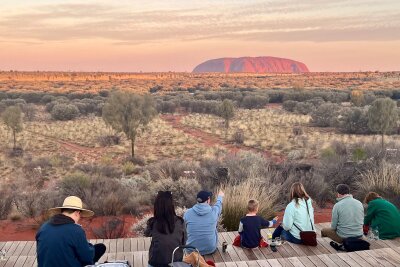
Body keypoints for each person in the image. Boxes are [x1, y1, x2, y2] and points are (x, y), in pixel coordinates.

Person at [36, 196, 106, 267]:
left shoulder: (43, 227)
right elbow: (87, 258)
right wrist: (88, 246)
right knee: (100, 248)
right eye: (80, 215)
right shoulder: (76, 230)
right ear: (77, 213)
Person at [144, 191, 186, 267]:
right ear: (172, 205)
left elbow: (146, 234)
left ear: (157, 206)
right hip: (175, 262)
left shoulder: (152, 222)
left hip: (156, 262)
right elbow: (184, 242)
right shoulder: (180, 222)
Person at [184, 190, 224, 255]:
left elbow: (184, 229)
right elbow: (218, 205)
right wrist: (220, 196)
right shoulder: (214, 212)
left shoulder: (188, 213)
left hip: (191, 250)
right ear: (208, 200)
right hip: (210, 249)